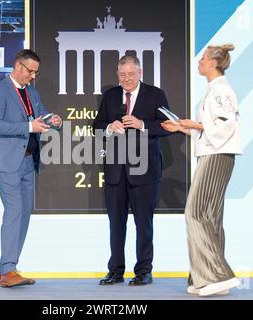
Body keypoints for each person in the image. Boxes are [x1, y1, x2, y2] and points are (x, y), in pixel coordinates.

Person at [161, 44, 242, 296]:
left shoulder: (221, 90)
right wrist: (182, 128)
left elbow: (225, 125)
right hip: (213, 153)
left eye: (203, 58)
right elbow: (210, 129)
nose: (199, 62)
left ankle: (217, 275)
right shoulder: (214, 90)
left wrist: (193, 123)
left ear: (213, 63)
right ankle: (204, 279)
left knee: (195, 213)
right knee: (209, 217)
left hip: (216, 155)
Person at [0, 49, 62, 288]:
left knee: (24, 214)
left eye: (36, 73)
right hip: (6, 162)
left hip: (29, 161)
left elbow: (40, 118)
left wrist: (53, 121)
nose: (33, 76)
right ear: (18, 67)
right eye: (30, 71)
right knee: (15, 211)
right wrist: (29, 127)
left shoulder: (32, 92)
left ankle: (5, 269)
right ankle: (8, 270)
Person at [93, 55, 171, 286]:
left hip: (145, 171)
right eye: (122, 75)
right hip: (116, 171)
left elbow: (168, 126)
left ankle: (144, 271)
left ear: (140, 73)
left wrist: (142, 124)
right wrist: (109, 126)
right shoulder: (110, 96)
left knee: (143, 223)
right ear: (117, 74)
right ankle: (115, 271)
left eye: (131, 74)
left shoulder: (156, 94)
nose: (126, 79)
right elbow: (96, 125)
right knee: (116, 224)